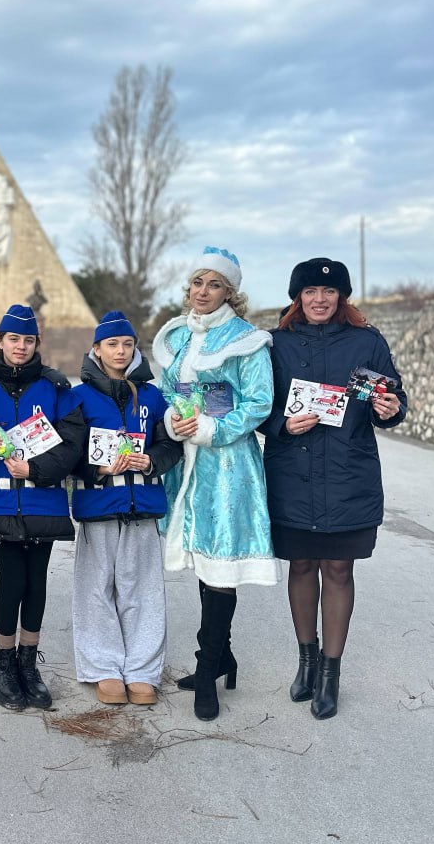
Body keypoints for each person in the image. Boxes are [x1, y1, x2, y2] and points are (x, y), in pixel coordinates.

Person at [263, 258, 407, 719]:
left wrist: (390, 407)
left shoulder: (367, 342)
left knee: (339, 569)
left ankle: (330, 672)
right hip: (292, 474)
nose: (320, 300)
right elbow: (254, 405)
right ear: (297, 298)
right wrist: (281, 424)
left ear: (342, 297)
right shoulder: (275, 345)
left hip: (348, 475)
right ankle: (306, 660)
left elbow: (394, 396)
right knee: (302, 565)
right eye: (310, 292)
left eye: (329, 293)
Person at [152, 246, 276, 721]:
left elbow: (258, 402)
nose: (203, 292)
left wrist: (210, 430)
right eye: (198, 283)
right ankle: (222, 655)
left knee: (220, 561)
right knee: (202, 560)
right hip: (185, 460)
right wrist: (172, 418)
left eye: (215, 285)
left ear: (231, 292)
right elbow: (166, 391)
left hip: (226, 464)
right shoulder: (179, 334)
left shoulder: (247, 340)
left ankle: (208, 669)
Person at [0, 305, 85, 711]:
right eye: (13, 339)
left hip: (43, 501)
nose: (21, 346)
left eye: (28, 340)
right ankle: (4, 665)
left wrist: (34, 468)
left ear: (37, 344)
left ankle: (29, 664)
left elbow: (72, 446)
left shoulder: (55, 389)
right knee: (11, 581)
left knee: (37, 583)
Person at [69, 311, 183, 706]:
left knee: (143, 591)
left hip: (143, 503)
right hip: (99, 503)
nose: (120, 351)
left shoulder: (153, 396)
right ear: (97, 350)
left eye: (128, 344)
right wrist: (96, 468)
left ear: (136, 348)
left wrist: (150, 460)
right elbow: (68, 452)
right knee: (96, 590)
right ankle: (102, 666)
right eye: (112, 344)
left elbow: (171, 445)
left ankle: (142, 669)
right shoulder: (78, 397)